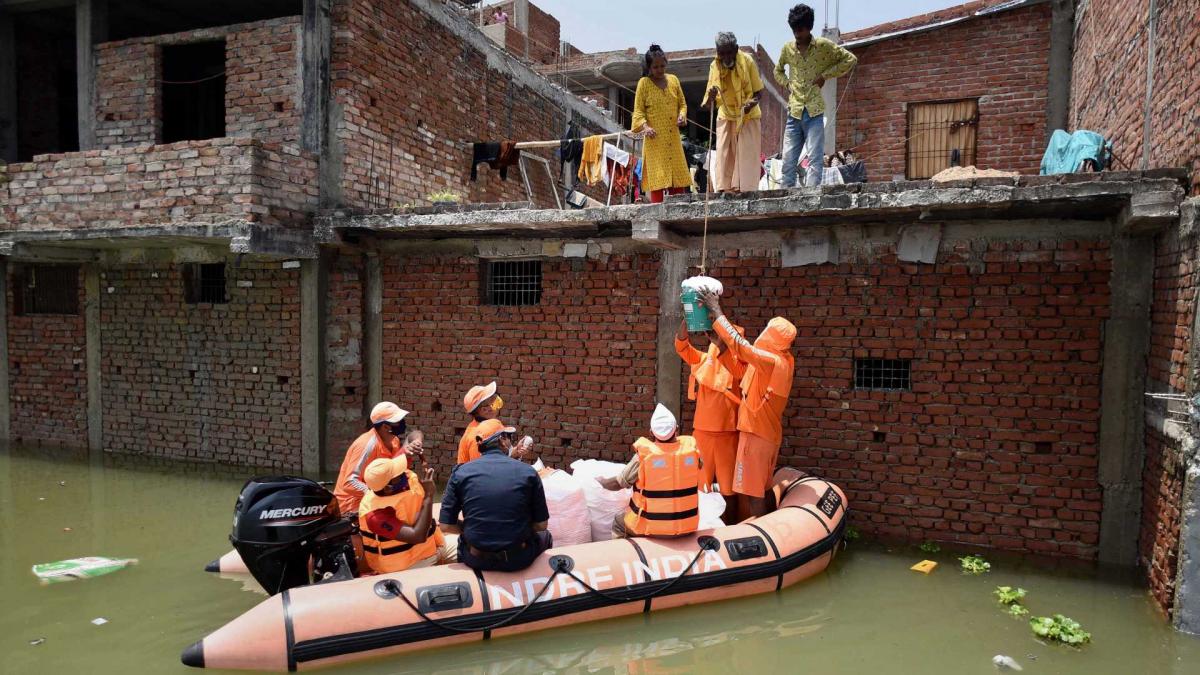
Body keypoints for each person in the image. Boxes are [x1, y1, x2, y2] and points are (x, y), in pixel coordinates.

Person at [698, 290, 796, 518]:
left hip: (755, 434)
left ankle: (760, 537)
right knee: (763, 487)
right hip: (767, 434)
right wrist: (722, 348)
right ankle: (772, 523)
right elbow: (741, 365)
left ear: (771, 336)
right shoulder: (782, 360)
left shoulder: (771, 361)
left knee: (753, 493)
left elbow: (741, 346)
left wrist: (716, 309)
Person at [439, 419, 553, 572]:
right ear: (502, 440)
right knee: (546, 536)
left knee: (462, 540)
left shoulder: (460, 473)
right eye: (509, 437)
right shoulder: (528, 472)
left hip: (477, 560)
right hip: (518, 560)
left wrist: (469, 528)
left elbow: (446, 525)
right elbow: (541, 525)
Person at [774, 4, 857, 188]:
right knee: (788, 159)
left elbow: (850, 59)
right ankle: (784, 196)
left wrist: (825, 75)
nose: (797, 33)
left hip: (814, 111)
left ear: (809, 27)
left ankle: (811, 196)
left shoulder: (823, 46)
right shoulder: (787, 48)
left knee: (815, 157)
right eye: (794, 29)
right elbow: (777, 71)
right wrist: (788, 84)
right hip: (794, 111)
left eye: (800, 29)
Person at [675, 318, 746, 516]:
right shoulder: (704, 360)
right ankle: (702, 526)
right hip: (703, 433)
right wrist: (688, 319)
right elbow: (682, 346)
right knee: (699, 486)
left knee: (729, 489)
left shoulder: (741, 367)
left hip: (728, 434)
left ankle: (730, 530)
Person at [598, 404, 702, 539]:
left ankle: (627, 556)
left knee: (618, 522)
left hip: (653, 528)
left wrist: (601, 482)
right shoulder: (691, 452)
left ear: (651, 433)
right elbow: (698, 466)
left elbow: (618, 483)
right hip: (688, 526)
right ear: (676, 429)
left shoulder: (644, 456)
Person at [358, 453, 456, 573]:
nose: (405, 473)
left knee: (469, 543)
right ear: (388, 488)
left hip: (434, 545)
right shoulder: (375, 516)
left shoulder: (403, 482)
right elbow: (417, 536)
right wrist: (429, 496)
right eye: (399, 475)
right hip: (410, 565)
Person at [701, 32, 765, 194]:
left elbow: (758, 92)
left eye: (729, 52)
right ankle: (724, 189)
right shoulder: (714, 67)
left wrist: (750, 105)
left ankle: (747, 191)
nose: (726, 57)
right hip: (726, 113)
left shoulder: (747, 61)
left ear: (736, 49)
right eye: (722, 53)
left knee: (747, 153)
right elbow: (708, 105)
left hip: (747, 113)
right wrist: (711, 97)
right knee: (723, 152)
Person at [333, 401, 423, 515]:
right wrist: (378, 492)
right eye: (398, 421)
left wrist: (413, 447)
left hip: (379, 495)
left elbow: (394, 467)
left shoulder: (393, 440)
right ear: (385, 426)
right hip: (352, 504)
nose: (402, 423)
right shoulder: (367, 445)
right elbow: (349, 482)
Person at [631, 44, 694, 204]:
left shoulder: (673, 80)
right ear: (649, 67)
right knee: (657, 180)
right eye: (655, 67)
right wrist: (645, 127)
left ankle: (678, 214)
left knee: (677, 181)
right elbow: (638, 112)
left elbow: (683, 104)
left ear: (666, 63)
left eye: (662, 66)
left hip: (673, 140)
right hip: (655, 141)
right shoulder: (643, 84)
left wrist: (682, 115)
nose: (659, 70)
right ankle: (657, 214)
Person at [457, 381, 503, 464]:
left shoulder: (477, 426)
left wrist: (514, 452)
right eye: (493, 399)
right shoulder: (478, 437)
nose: (497, 400)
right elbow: (482, 470)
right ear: (485, 410)